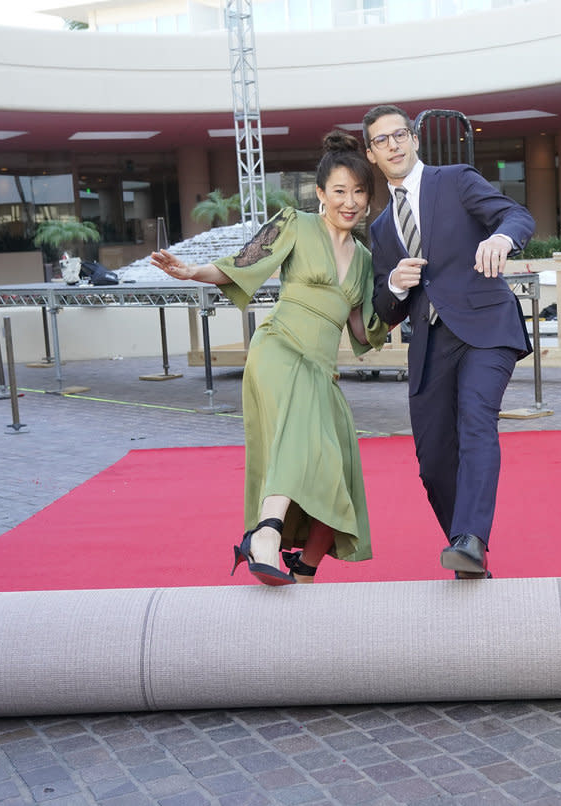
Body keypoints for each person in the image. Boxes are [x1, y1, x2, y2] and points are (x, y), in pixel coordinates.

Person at [150, 131, 388, 586]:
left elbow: (362, 329)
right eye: (339, 191)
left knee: (338, 468)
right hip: (280, 350)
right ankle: (266, 532)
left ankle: (305, 567)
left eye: (359, 191)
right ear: (321, 193)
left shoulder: (362, 258)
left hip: (321, 369)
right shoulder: (295, 222)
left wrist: (403, 294)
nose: (350, 201)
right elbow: (242, 262)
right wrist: (193, 272)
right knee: (300, 438)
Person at [364, 104, 535, 580]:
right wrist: (396, 284)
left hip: (486, 327)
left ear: (414, 139)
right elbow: (385, 308)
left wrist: (502, 239)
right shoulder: (380, 228)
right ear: (372, 153)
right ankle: (462, 547)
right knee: (433, 458)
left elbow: (514, 214)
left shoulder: (455, 179)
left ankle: (471, 542)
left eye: (400, 135)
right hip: (431, 343)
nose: (394, 145)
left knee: (475, 417)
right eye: (382, 140)